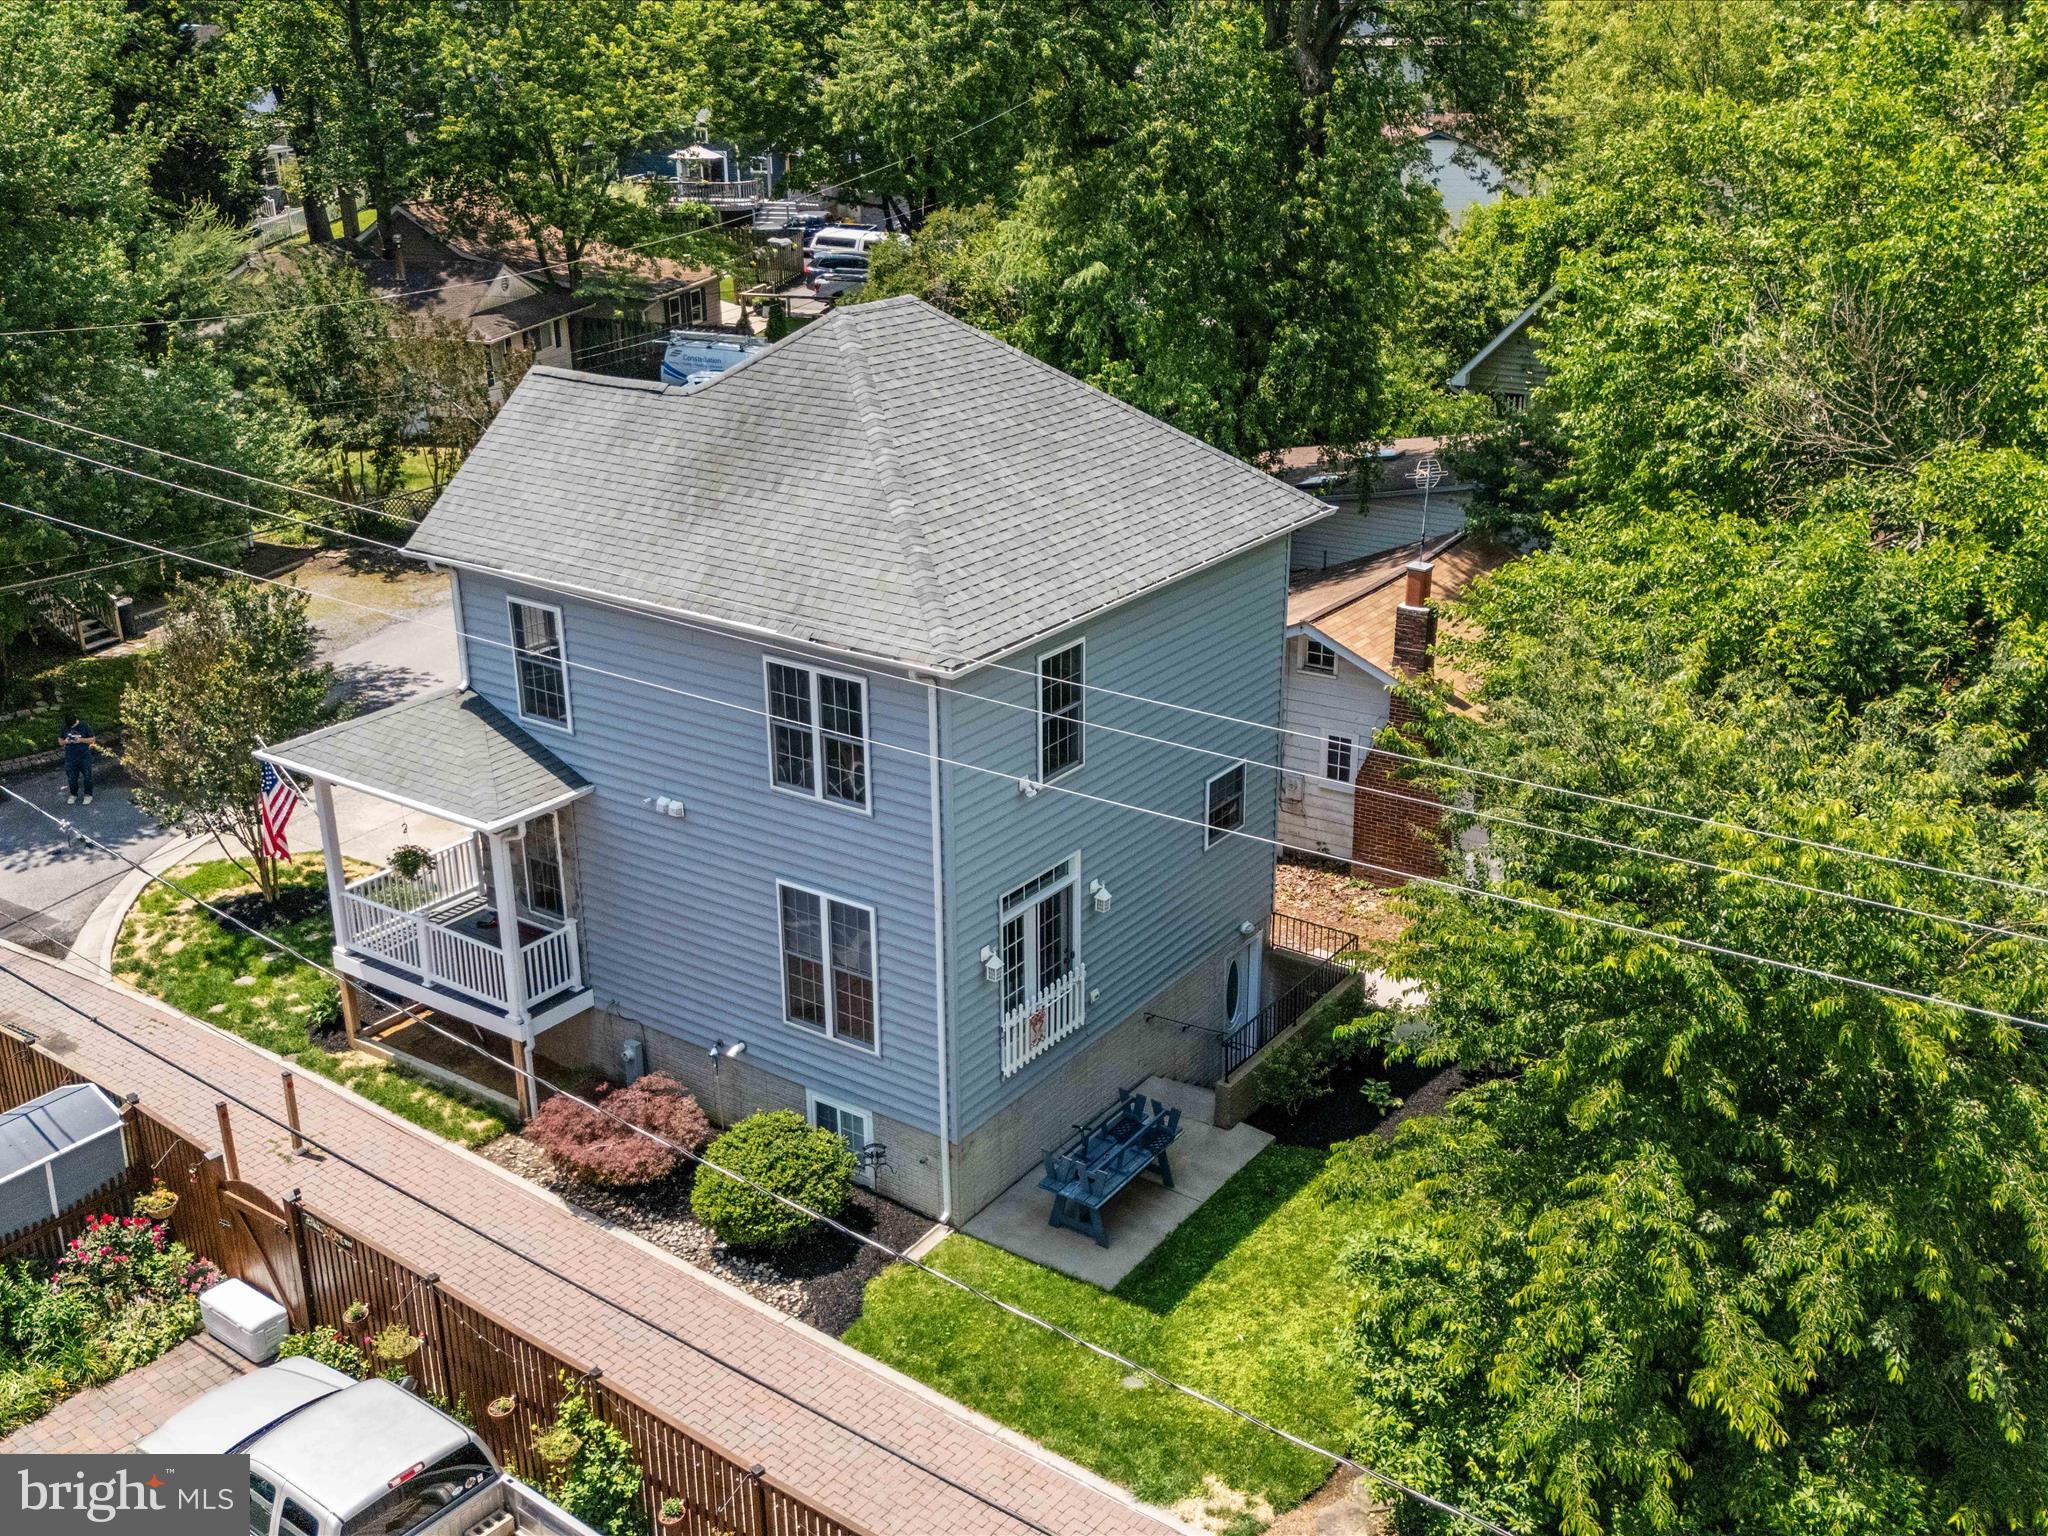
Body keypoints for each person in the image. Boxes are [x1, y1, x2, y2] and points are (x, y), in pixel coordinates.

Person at [60, 716, 94, 805]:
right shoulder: (65, 727)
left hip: (84, 756)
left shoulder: (84, 726)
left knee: (87, 776)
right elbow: (60, 741)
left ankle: (88, 795)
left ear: (75, 722)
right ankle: (73, 794)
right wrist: (66, 741)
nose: (70, 728)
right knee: (72, 778)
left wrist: (81, 740)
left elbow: (92, 739)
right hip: (70, 757)